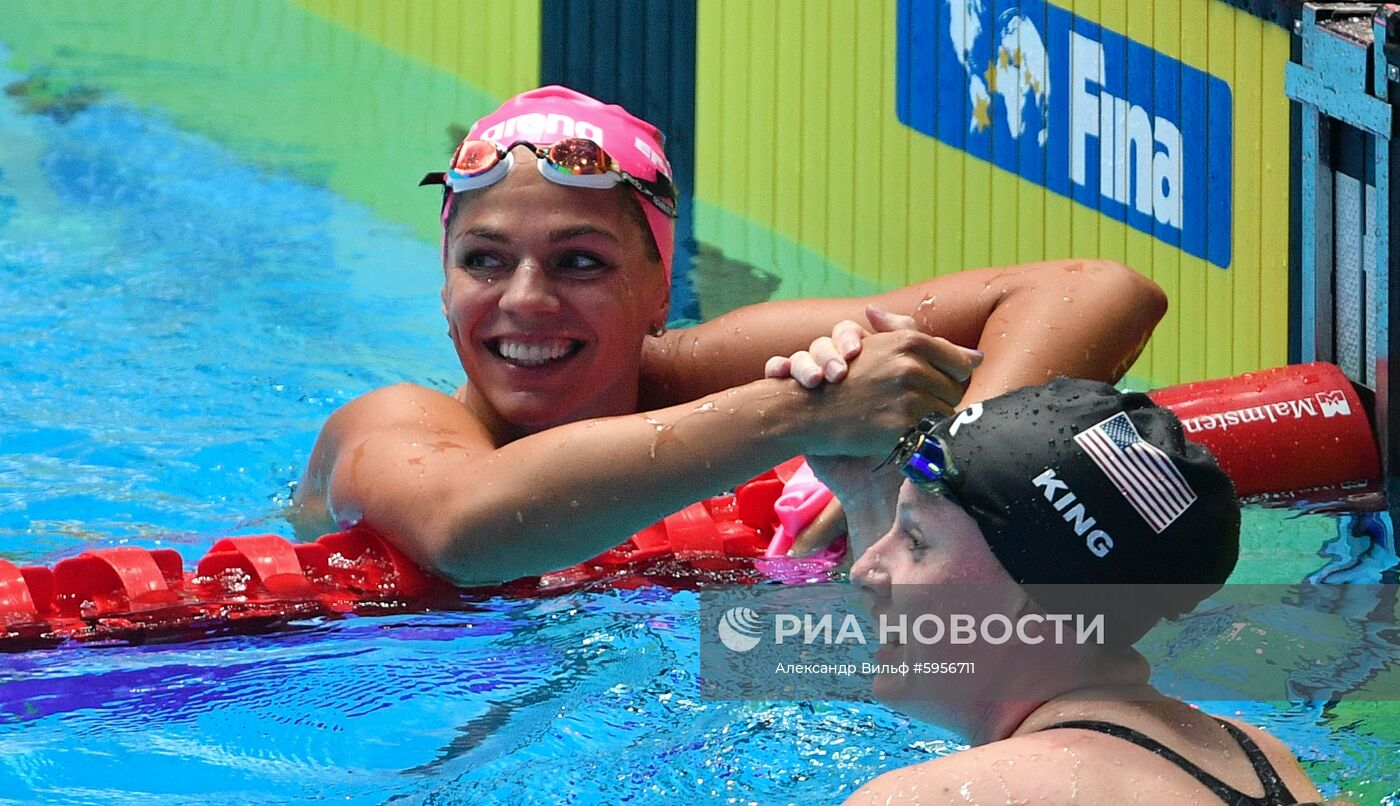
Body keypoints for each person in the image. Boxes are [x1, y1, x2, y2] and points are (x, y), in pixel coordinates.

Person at [290, 85, 1167, 586]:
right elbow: (467, 533)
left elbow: (1099, 293)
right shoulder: (386, 429)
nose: (526, 300)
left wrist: (949, 468)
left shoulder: (696, 369)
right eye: (484, 261)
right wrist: (798, 416)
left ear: (657, 291)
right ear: (444, 286)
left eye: (581, 263)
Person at [840, 378, 1326, 805]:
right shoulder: (1262, 760)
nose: (863, 570)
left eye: (916, 543)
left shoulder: (935, 798)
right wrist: (861, 497)